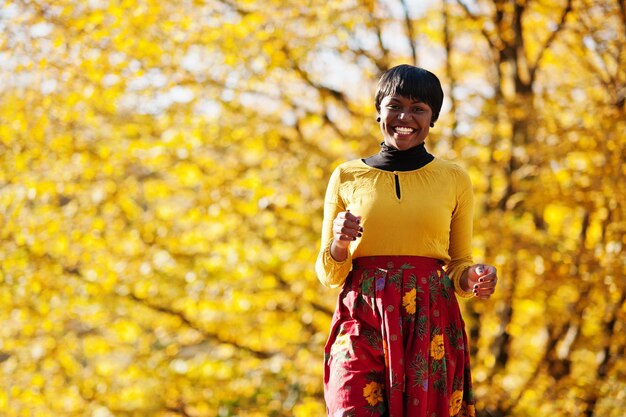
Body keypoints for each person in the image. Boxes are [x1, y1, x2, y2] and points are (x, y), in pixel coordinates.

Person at [315, 64, 498, 417]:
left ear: (433, 118)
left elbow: (459, 264)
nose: (405, 117)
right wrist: (340, 243)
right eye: (395, 105)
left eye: (418, 109)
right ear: (378, 111)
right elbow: (329, 274)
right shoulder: (346, 175)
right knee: (349, 407)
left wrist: (473, 277)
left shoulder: (454, 178)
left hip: (429, 317)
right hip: (362, 312)